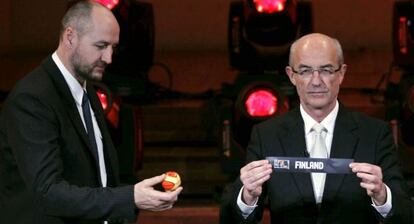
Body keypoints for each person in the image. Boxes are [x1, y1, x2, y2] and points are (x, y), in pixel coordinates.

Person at [0, 1, 182, 224]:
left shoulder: (89, 93)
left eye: (112, 47)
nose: (109, 58)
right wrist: (130, 197)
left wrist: (136, 195)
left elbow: (101, 178)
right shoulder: (32, 98)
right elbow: (48, 193)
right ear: (70, 37)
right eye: (101, 46)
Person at [224, 33, 412, 223]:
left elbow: (405, 213)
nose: (316, 81)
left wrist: (382, 196)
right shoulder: (266, 135)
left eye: (326, 70)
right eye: (305, 71)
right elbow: (231, 217)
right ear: (291, 76)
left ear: (341, 74)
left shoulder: (375, 133)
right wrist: (247, 197)